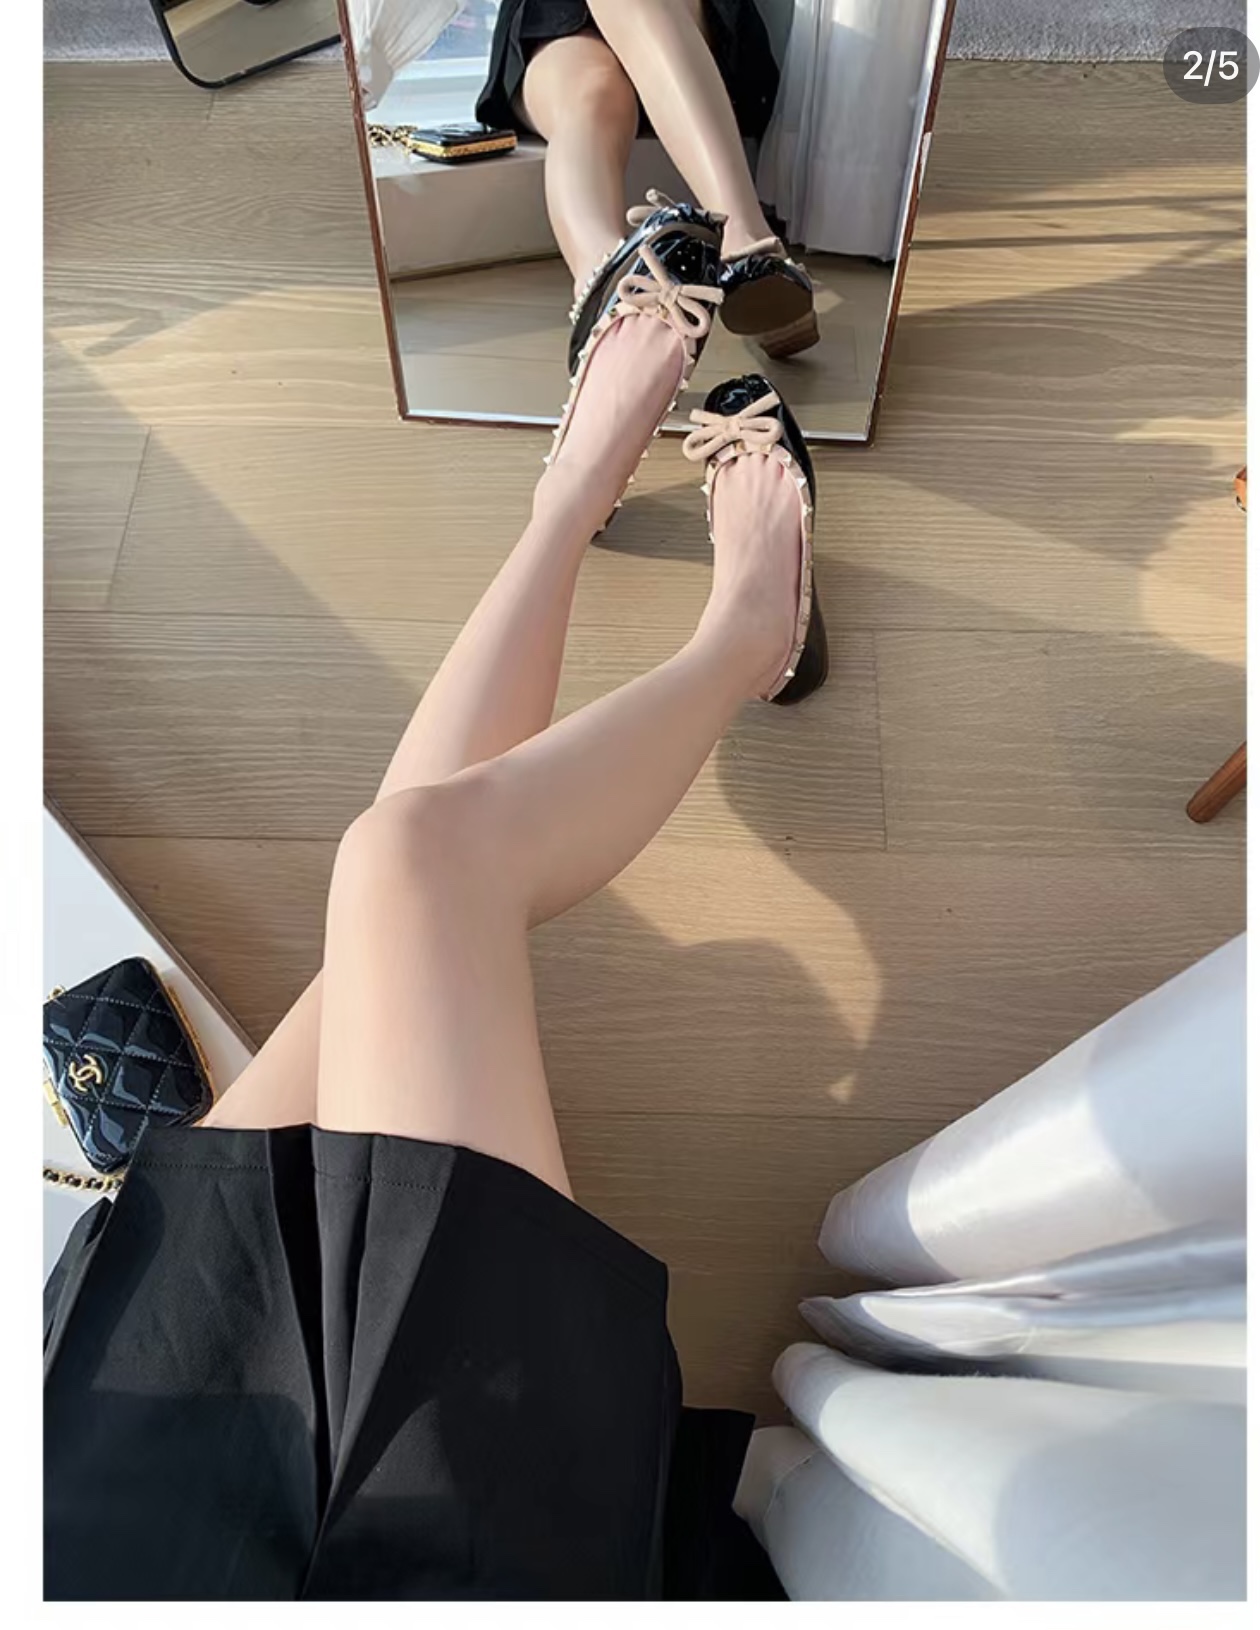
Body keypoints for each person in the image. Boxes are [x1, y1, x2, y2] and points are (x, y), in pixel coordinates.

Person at [44, 214, 827, 1599]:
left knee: (389, 910)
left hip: (109, 1466)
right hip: (430, 1554)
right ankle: (740, 629)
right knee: (410, 869)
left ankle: (571, 501)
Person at [476, 0, 820, 358]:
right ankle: (609, 285)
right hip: (554, 23)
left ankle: (745, 240)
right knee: (593, 90)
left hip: (683, 24)